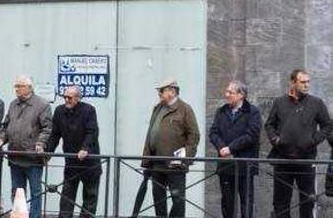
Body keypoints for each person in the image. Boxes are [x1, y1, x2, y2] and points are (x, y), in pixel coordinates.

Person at [265, 69, 332, 218]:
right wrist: (275, 139)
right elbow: (269, 124)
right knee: (280, 204)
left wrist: (314, 140)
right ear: (293, 83)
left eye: (308, 82)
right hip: (283, 160)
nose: (307, 85)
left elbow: (327, 125)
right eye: (303, 82)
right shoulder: (279, 102)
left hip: (306, 160)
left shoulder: (316, 103)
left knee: (307, 202)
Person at [0, 76, 52, 218]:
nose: (17, 89)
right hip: (15, 156)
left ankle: (34, 216)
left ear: (29, 88)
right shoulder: (13, 104)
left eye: (20, 86)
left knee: (36, 192)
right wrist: (1, 139)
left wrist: (40, 143)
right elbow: (6, 126)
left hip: (32, 158)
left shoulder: (42, 105)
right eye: (16, 86)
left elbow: (47, 128)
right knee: (17, 191)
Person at [141, 79, 200, 218]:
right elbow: (151, 133)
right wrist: (146, 159)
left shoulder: (185, 109)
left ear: (172, 92)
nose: (159, 94)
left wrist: (186, 155)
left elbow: (194, 134)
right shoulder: (158, 108)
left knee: (178, 200)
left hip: (175, 164)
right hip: (156, 162)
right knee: (158, 200)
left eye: (162, 90)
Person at [208, 81, 262, 218]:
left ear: (241, 95)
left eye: (230, 92)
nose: (226, 95)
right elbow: (213, 133)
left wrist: (230, 148)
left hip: (245, 166)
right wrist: (221, 148)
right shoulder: (221, 111)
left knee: (246, 203)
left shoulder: (252, 112)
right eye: (227, 92)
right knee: (227, 204)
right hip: (226, 166)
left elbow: (252, 135)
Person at [45, 86, 101, 218]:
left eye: (69, 97)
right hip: (71, 162)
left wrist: (85, 148)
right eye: (64, 97)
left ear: (78, 98)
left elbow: (92, 132)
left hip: (89, 162)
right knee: (67, 195)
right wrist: (48, 153)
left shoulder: (88, 110)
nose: (66, 100)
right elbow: (54, 135)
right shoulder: (59, 111)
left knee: (90, 196)